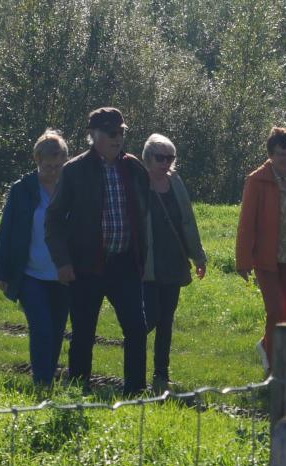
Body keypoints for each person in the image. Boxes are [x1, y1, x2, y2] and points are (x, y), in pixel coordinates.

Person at [45, 107, 155, 394]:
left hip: (125, 264)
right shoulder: (74, 170)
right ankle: (80, 391)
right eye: (111, 133)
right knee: (82, 333)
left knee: (135, 329)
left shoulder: (133, 169)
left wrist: (142, 258)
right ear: (93, 136)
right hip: (85, 266)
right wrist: (62, 262)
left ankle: (134, 392)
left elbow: (144, 216)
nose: (117, 138)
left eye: (121, 132)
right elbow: (54, 219)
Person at [0, 131, 73, 386]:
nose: (52, 171)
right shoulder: (22, 190)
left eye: (58, 166)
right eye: (48, 166)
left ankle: (48, 376)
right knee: (41, 328)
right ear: (37, 160)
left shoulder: (71, 188)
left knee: (57, 330)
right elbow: (7, 230)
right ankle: (41, 382)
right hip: (30, 272)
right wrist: (1, 271)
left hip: (63, 273)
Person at [235, 127, 286, 372]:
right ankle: (274, 365)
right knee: (275, 310)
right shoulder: (256, 181)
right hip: (267, 258)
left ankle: (266, 344)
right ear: (270, 155)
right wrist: (243, 261)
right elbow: (247, 223)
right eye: (281, 155)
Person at [141, 133, 207, 392]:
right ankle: (134, 364)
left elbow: (187, 221)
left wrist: (198, 256)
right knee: (149, 318)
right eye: (160, 157)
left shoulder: (175, 182)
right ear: (148, 158)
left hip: (174, 262)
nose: (166, 162)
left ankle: (161, 375)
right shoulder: (138, 182)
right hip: (146, 264)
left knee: (166, 320)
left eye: (170, 157)